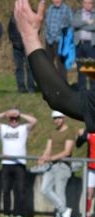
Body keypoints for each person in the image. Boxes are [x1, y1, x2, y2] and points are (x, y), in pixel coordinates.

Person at [14, 0, 95, 133]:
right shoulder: (71, 12)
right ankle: (81, 88)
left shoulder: (71, 11)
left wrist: (29, 35)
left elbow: (60, 98)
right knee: (84, 69)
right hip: (73, 43)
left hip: (88, 45)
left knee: (88, 70)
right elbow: (74, 24)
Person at [0, 108, 37, 217]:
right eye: (11, 119)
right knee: (6, 190)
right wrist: (5, 113)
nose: (14, 121)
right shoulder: (4, 128)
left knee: (19, 190)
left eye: (16, 119)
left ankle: (18, 213)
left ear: (19, 119)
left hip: (19, 163)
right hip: (6, 164)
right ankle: (6, 213)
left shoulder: (23, 128)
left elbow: (34, 121)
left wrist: (20, 113)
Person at [39, 110, 75, 217]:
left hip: (63, 166)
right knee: (44, 189)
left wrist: (50, 158)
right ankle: (64, 211)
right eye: (55, 118)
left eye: (59, 118)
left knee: (60, 192)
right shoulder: (53, 132)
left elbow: (67, 152)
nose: (57, 120)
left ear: (64, 118)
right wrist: (43, 157)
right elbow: (48, 149)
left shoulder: (69, 132)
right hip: (51, 165)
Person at [44, 0, 73, 83]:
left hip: (61, 41)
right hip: (49, 41)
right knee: (48, 64)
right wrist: (46, 36)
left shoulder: (66, 9)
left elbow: (72, 25)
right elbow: (46, 24)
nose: (57, 0)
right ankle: (51, 83)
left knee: (61, 65)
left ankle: (63, 85)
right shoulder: (49, 9)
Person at [8, 13, 36, 93]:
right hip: (16, 47)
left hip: (28, 45)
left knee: (30, 67)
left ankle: (31, 87)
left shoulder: (30, 14)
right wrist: (14, 41)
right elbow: (10, 31)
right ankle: (21, 87)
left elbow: (36, 28)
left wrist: (30, 40)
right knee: (18, 67)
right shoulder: (13, 17)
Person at [72, 0, 95, 91]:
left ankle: (93, 91)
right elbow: (74, 23)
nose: (87, 5)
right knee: (81, 69)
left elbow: (93, 27)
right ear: (83, 3)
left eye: (90, 3)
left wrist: (80, 25)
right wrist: (86, 22)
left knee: (91, 70)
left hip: (90, 45)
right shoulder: (78, 13)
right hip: (79, 44)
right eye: (85, 2)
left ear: (92, 4)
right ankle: (82, 90)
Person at [75, 127, 95, 217]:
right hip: (91, 166)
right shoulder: (89, 131)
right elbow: (78, 144)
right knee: (89, 192)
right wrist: (81, 136)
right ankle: (87, 216)